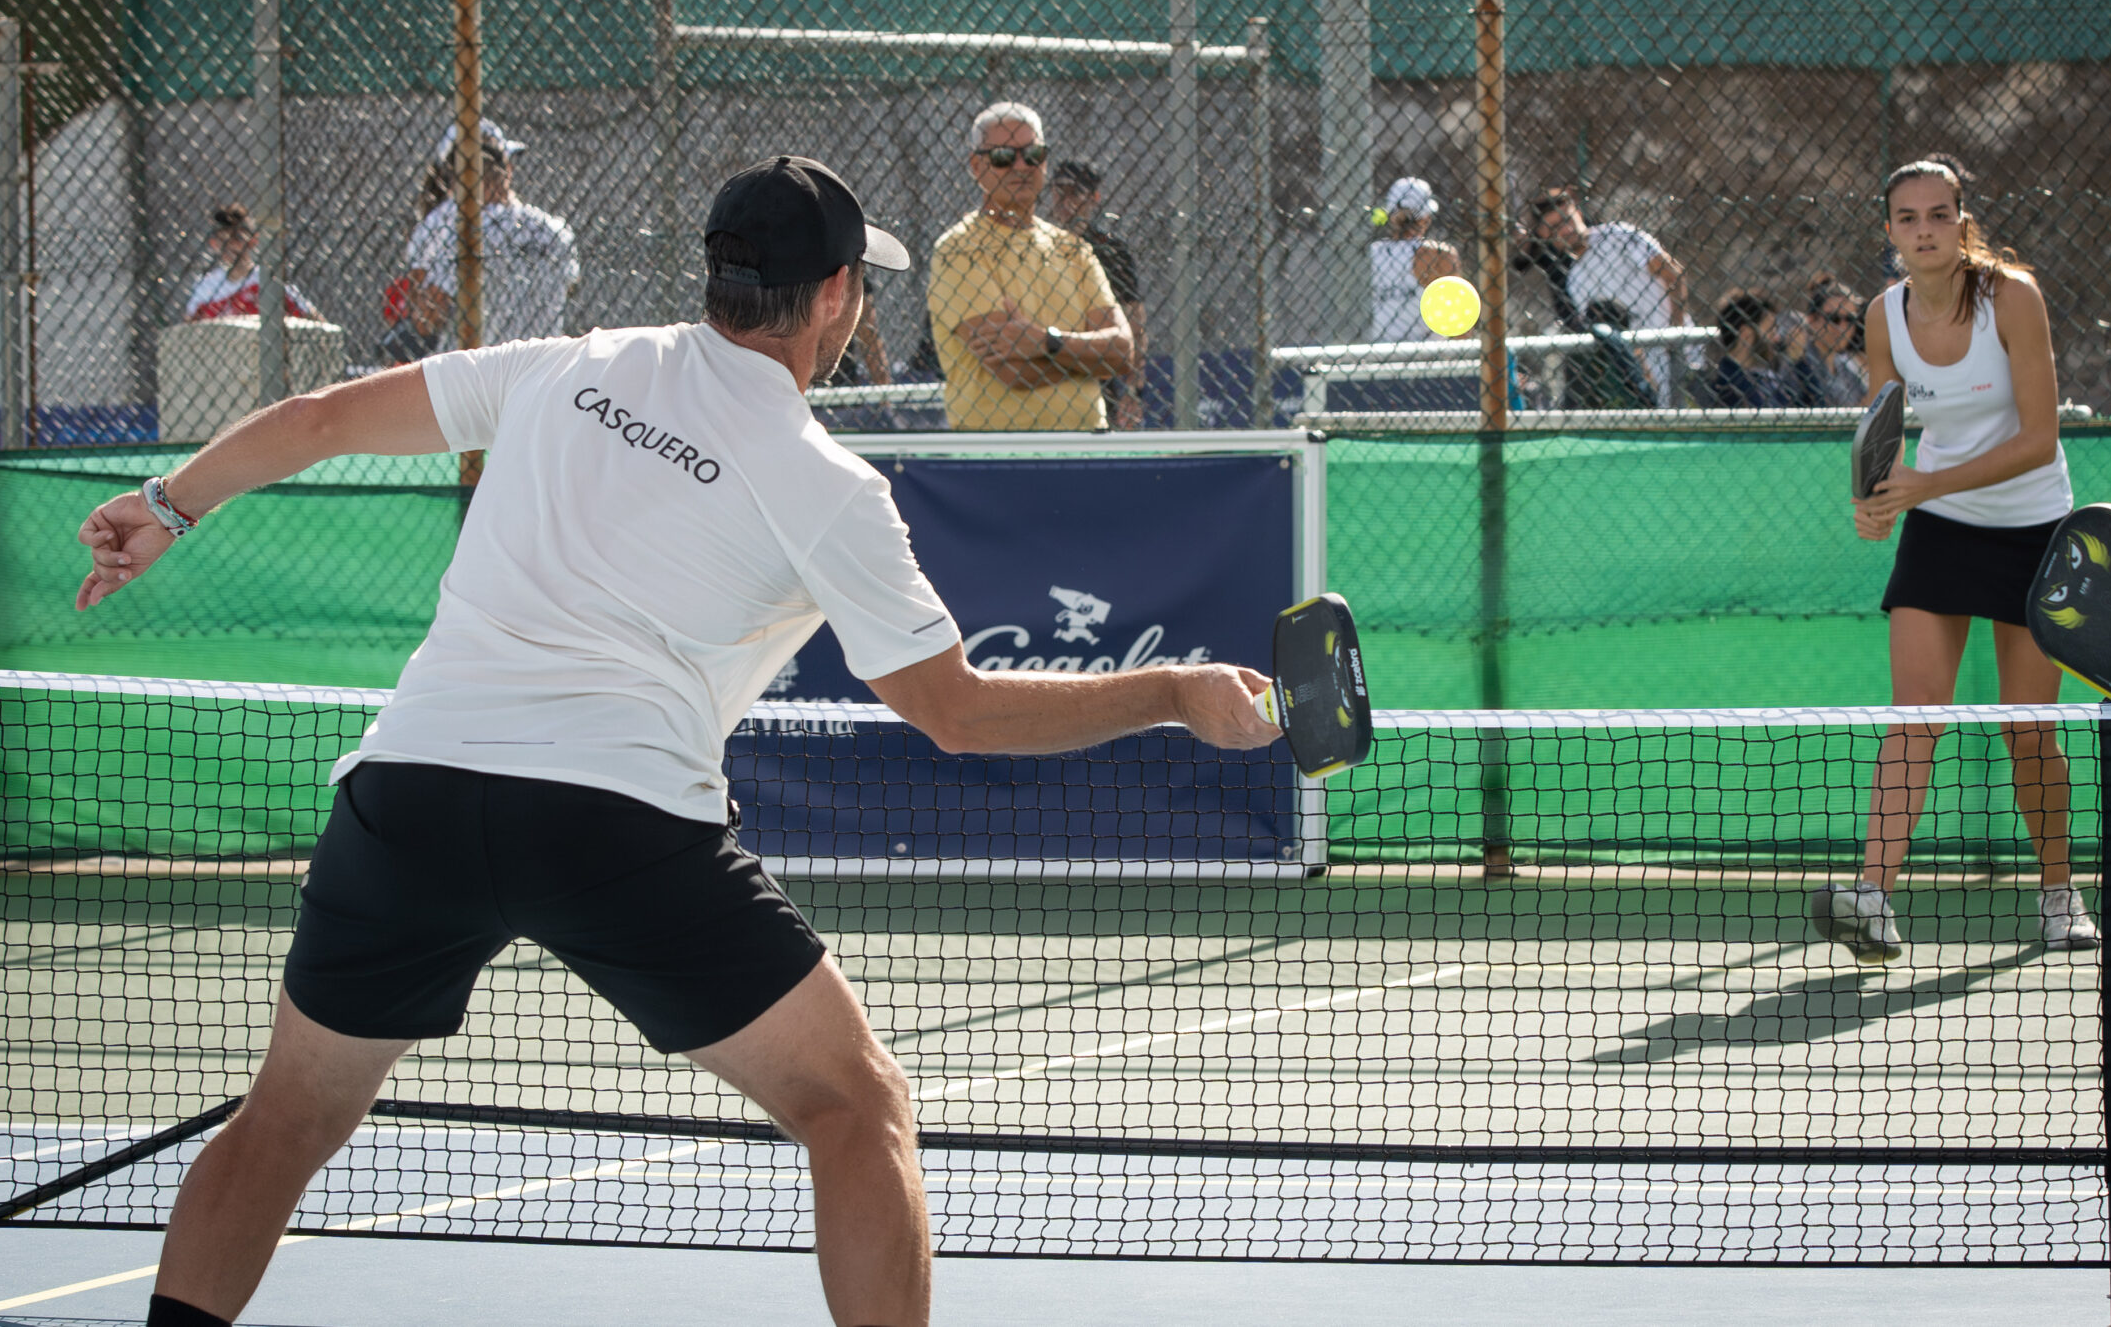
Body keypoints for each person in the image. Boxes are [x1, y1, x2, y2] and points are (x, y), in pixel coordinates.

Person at [74, 154, 1278, 1327]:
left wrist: (168, 505)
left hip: (410, 798)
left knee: (285, 1120)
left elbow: (323, 418)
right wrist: (1172, 693)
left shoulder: (568, 364)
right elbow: (954, 713)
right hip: (611, 823)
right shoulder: (828, 486)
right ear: (834, 297)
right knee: (856, 1109)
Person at [1814, 155, 2094, 965]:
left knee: (2027, 731)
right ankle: (1873, 898)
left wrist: (1926, 482)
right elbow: (1884, 430)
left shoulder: (2014, 297)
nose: (1925, 230)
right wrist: (1878, 500)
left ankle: (2059, 894)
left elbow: (2039, 437)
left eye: (1940, 214)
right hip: (1940, 526)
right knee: (1917, 712)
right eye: (1908, 218)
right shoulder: (1884, 316)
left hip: (2032, 526)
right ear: (1890, 231)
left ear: (1963, 222)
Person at [926, 103, 1134, 431]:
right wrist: (1090, 361)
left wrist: (1046, 342)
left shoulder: (1072, 249)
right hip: (998, 447)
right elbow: (1012, 371)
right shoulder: (959, 251)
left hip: (1088, 441)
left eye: (1033, 154)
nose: (1021, 166)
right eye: (1003, 157)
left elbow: (1122, 352)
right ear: (977, 165)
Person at [404, 119, 580, 346]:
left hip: (476, 362)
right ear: (507, 170)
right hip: (545, 359)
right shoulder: (554, 230)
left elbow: (427, 318)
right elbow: (570, 286)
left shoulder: (453, 230)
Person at [1524, 187, 1690, 405]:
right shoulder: (1574, 280)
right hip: (1642, 366)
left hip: (1679, 350)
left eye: (1567, 219)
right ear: (1545, 235)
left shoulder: (1619, 236)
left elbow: (1673, 274)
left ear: (1578, 213)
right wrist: (1644, 373)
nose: (1566, 230)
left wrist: (1676, 335)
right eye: (1555, 227)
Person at [1048, 158, 1146, 429]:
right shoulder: (1039, 244)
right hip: (1045, 366)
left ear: (1094, 198)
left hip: (1095, 369)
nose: (1065, 201)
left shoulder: (1110, 250)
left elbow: (1134, 320)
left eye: (1075, 193)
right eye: (1059, 191)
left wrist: (1134, 388)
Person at [183, 203, 319, 323]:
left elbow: (312, 317)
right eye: (223, 240)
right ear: (214, 244)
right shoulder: (206, 285)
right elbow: (188, 327)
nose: (231, 246)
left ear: (253, 240)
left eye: (237, 238)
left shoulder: (268, 278)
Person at [1366, 177, 1461, 343]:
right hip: (1431, 352)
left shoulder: (1372, 252)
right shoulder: (1438, 254)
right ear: (1426, 217)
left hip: (1381, 352)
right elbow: (1458, 319)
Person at [1708, 288, 1795, 409]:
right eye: (1770, 330)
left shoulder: (1764, 377)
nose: (1777, 338)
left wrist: (1799, 361)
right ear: (1746, 334)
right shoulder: (1729, 386)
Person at [1791, 275, 1870, 406]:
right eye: (1834, 319)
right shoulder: (1801, 361)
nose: (1843, 328)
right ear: (1812, 320)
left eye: (1850, 319)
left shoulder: (1844, 364)